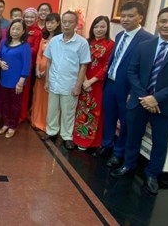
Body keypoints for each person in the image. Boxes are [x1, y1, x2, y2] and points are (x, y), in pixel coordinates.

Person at [111, 7, 168, 195]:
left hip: (166, 105)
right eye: (163, 21)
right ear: (157, 22)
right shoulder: (145, 45)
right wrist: (144, 97)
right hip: (139, 101)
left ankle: (152, 175)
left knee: (160, 143)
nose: (167, 25)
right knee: (132, 136)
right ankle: (129, 165)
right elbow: (132, 72)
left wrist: (156, 98)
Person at [98, 2, 154, 167]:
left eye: (130, 16)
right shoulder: (120, 36)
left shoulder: (148, 40)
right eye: (123, 16)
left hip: (128, 89)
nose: (125, 19)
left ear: (141, 17)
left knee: (125, 122)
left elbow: (145, 71)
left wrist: (136, 92)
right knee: (109, 117)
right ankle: (106, 144)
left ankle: (118, 152)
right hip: (111, 84)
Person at [41, 11, 91, 150]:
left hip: (70, 84)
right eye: (64, 21)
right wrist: (47, 80)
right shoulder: (55, 40)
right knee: (52, 110)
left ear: (76, 24)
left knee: (68, 112)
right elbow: (49, 62)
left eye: (70, 22)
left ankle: (67, 136)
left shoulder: (82, 43)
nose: (66, 25)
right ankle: (51, 132)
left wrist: (78, 85)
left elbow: (83, 66)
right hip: (54, 81)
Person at [72, 16, 114, 150]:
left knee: (94, 111)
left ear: (107, 28)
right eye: (96, 26)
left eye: (102, 26)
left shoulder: (110, 44)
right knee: (81, 109)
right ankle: (78, 137)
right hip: (82, 79)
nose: (99, 29)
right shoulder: (86, 42)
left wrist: (91, 81)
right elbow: (80, 61)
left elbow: (107, 66)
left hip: (97, 83)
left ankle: (91, 141)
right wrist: (84, 80)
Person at [0, 19, 31, 138]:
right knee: (5, 103)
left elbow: (27, 65)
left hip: (17, 81)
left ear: (23, 31)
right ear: (9, 29)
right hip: (4, 78)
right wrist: (0, 63)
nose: (15, 31)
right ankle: (5, 123)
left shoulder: (25, 46)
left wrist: (21, 82)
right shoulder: (4, 42)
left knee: (15, 105)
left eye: (18, 29)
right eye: (13, 28)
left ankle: (13, 126)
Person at [31, 13, 61, 132]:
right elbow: (39, 55)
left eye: (52, 22)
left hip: (51, 73)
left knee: (49, 100)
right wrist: (38, 69)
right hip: (40, 72)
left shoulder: (60, 39)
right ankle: (36, 120)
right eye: (48, 22)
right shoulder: (43, 38)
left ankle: (46, 124)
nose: (49, 25)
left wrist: (46, 72)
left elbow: (57, 58)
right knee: (38, 97)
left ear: (58, 23)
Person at [21, 7, 43, 123]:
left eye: (31, 17)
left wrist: (21, 49)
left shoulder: (38, 32)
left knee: (25, 91)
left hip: (29, 65)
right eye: (27, 17)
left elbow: (36, 50)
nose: (29, 19)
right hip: (17, 64)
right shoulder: (20, 29)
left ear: (36, 18)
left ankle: (22, 115)